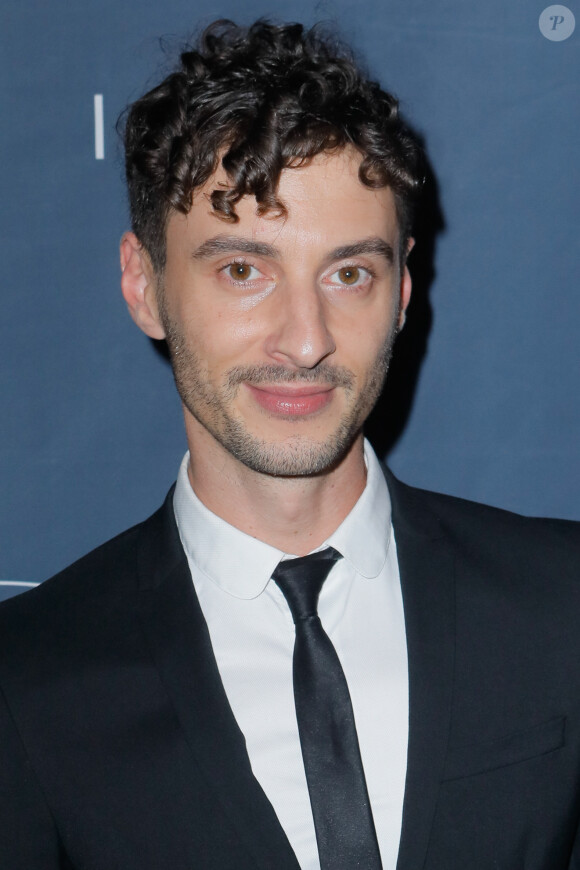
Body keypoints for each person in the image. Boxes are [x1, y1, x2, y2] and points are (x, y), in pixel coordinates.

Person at [0, 19, 579, 870]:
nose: (305, 340)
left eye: (349, 273)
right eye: (243, 269)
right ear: (144, 285)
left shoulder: (562, 606)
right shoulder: (26, 681)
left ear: (403, 290)